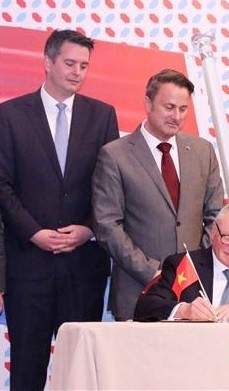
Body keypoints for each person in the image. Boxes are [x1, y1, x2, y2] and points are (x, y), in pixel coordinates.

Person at [0, 29, 119, 390]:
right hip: (28, 266)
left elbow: (109, 188)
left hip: (84, 267)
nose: (78, 72)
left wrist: (88, 229)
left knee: (80, 373)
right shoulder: (9, 115)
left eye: (84, 65)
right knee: (27, 370)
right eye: (70, 63)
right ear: (48, 62)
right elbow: (1, 185)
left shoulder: (102, 116)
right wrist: (33, 232)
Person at [92, 69, 224, 320]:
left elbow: (215, 216)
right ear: (148, 103)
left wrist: (196, 268)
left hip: (198, 294)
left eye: (183, 109)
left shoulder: (202, 151)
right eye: (169, 107)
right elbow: (107, 225)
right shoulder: (115, 155)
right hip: (137, 290)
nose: (176, 116)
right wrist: (155, 272)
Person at [134, 202, 229, 320]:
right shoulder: (183, 264)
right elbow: (145, 307)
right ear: (214, 233)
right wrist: (184, 310)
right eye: (228, 238)